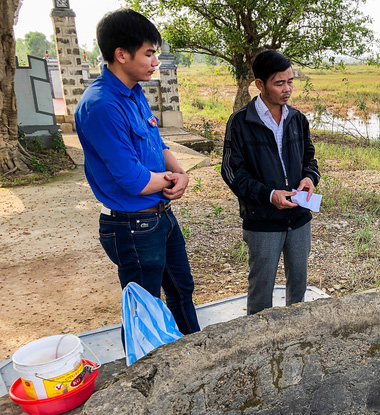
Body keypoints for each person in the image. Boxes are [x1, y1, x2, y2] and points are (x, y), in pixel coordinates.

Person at [75, 9, 199, 334]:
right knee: (144, 309)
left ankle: (199, 357)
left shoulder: (134, 93)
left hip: (161, 217)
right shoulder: (102, 106)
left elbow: (157, 142)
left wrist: (180, 173)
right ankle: (147, 379)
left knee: (182, 291)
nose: (155, 61)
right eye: (149, 53)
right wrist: (170, 181)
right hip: (132, 226)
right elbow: (133, 179)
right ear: (121, 54)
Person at [221, 50, 320, 315]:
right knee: (261, 287)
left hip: (299, 218)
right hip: (262, 220)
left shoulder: (297, 119)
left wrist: (310, 179)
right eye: (279, 83)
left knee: (298, 282)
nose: (287, 89)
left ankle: (295, 332)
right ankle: (257, 339)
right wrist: (269, 195)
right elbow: (232, 173)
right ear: (260, 84)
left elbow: (310, 159)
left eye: (290, 81)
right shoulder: (240, 123)